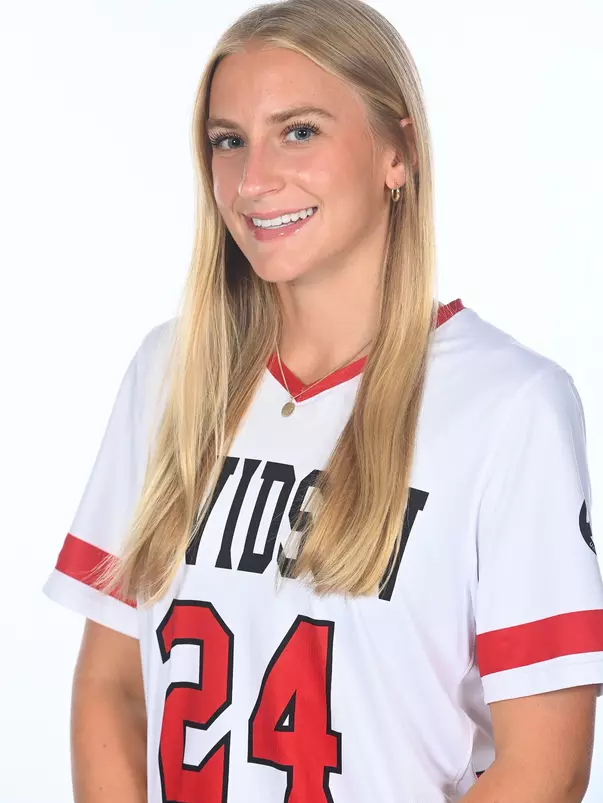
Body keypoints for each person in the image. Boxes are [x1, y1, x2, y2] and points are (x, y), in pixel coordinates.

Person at [43, 0, 603, 801]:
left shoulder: (510, 406)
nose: (253, 179)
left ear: (396, 153)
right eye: (227, 140)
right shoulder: (169, 374)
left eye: (297, 131)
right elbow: (114, 687)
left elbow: (543, 764)